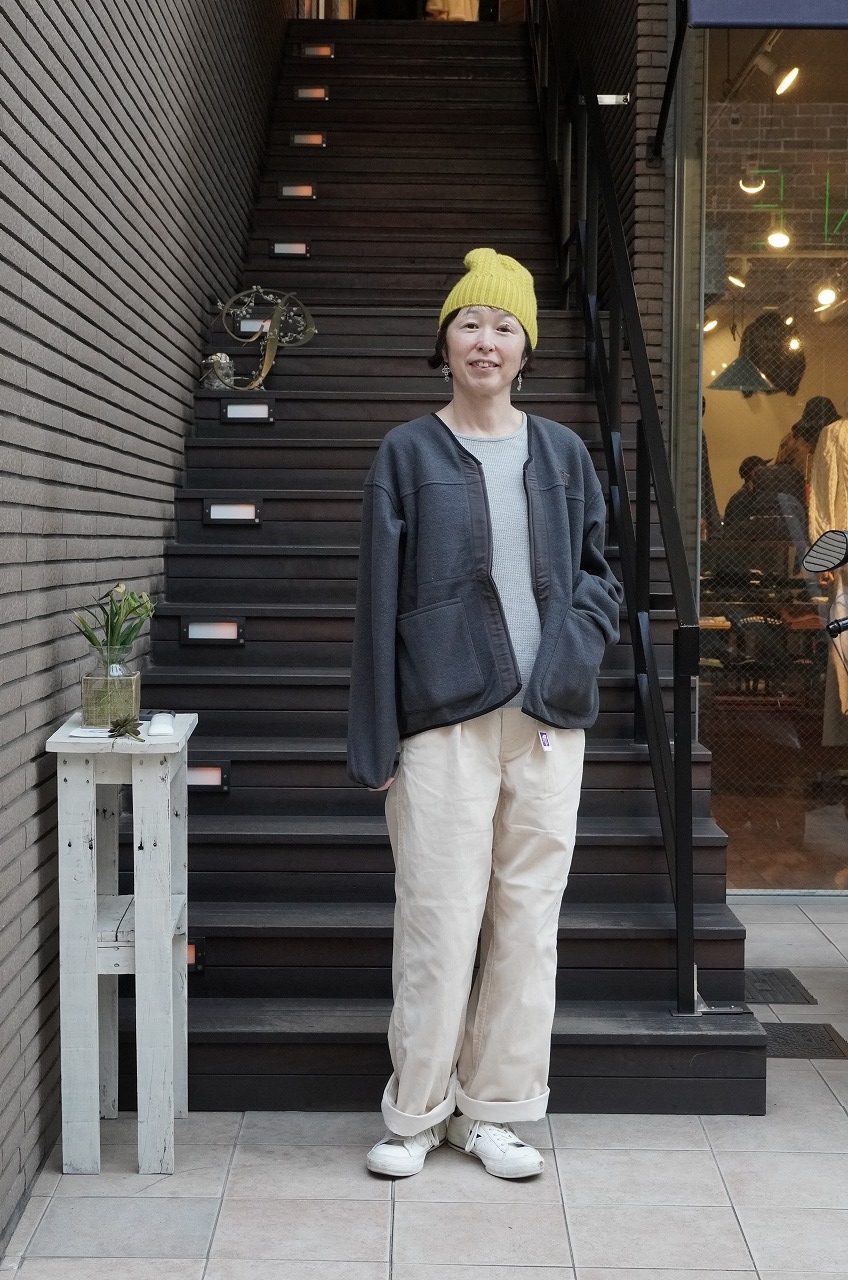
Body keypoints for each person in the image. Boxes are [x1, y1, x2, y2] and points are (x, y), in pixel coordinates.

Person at [347, 248, 622, 1179]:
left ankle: (494, 1113)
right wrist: (376, 737)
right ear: (445, 340)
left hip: (545, 724)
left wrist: (574, 649)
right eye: (471, 322)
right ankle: (416, 1114)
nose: (487, 340)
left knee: (526, 925)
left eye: (506, 326)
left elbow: (599, 574)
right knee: (438, 919)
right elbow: (376, 603)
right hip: (442, 726)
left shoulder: (564, 453)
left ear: (526, 348)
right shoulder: (407, 453)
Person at [776, 395, 840, 489]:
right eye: (815, 428)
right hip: (798, 491)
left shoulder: (840, 441)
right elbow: (778, 472)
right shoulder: (792, 440)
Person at [722, 455, 769, 530]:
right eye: (764, 469)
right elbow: (735, 528)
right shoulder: (740, 498)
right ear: (754, 472)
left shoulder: (753, 495)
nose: (767, 473)